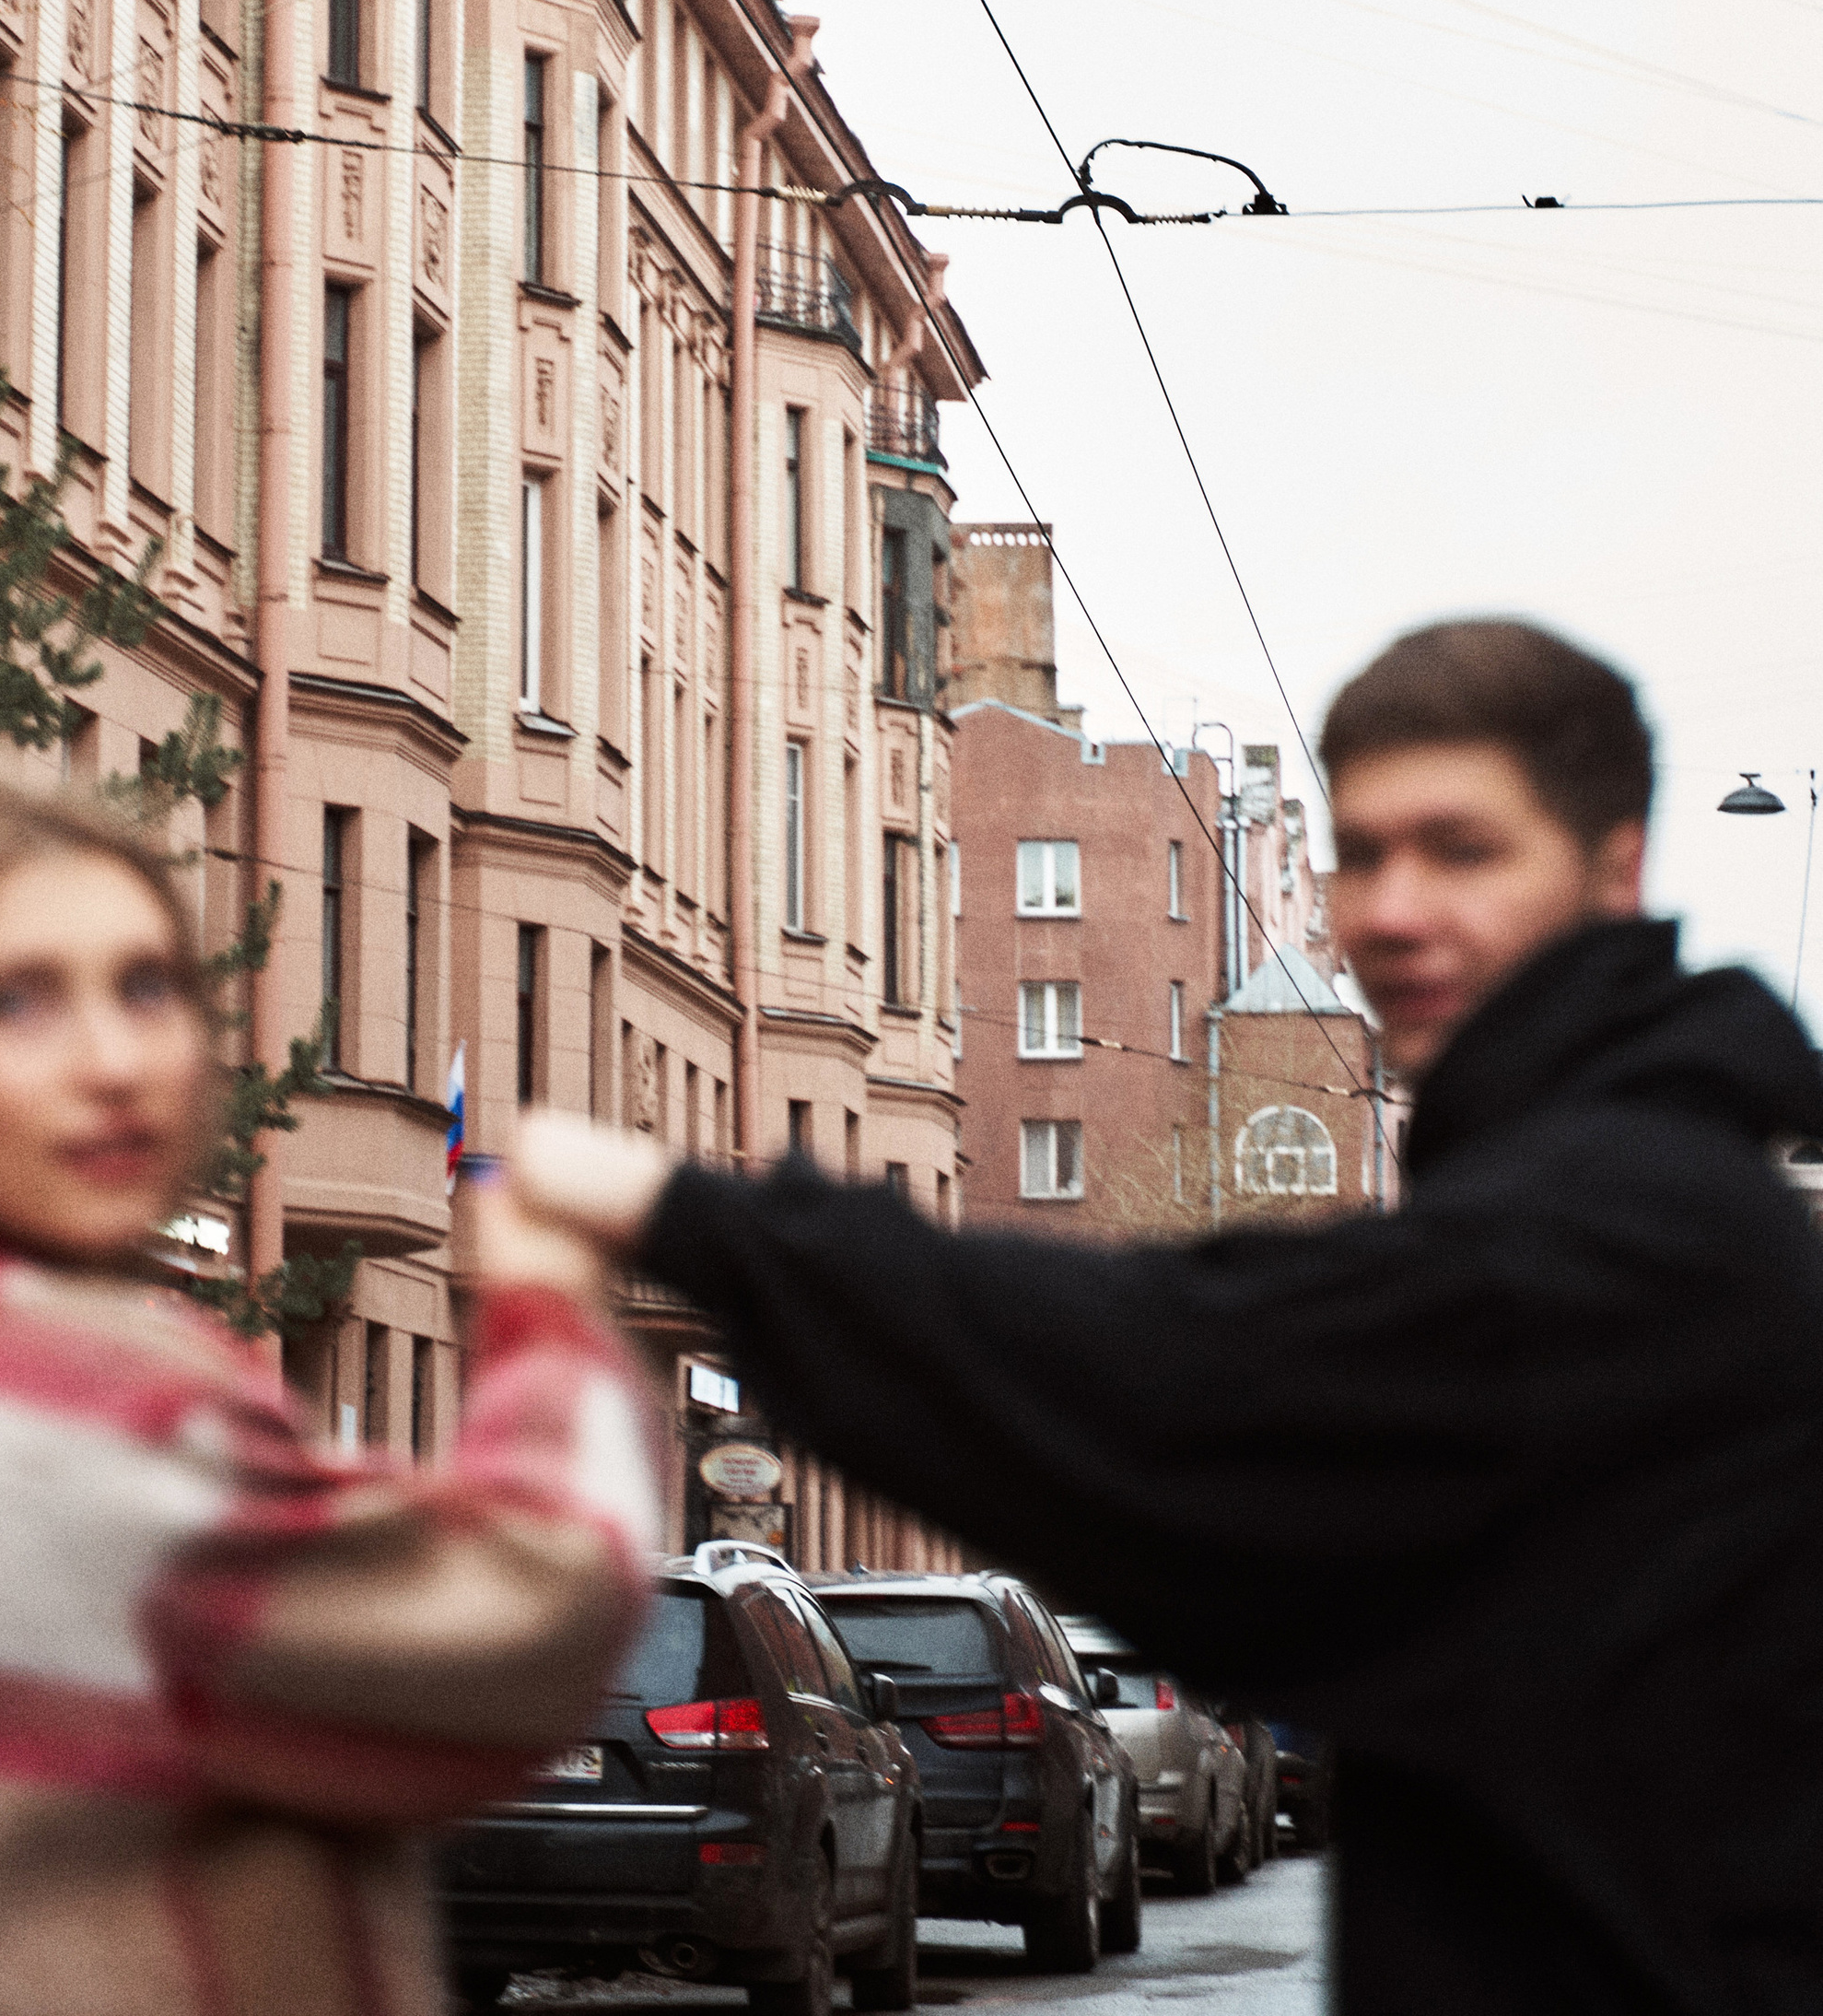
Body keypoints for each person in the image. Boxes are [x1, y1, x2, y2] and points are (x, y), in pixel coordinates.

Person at [510, 618, 1823, 2016]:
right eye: (1362, 851)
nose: (1388, 907)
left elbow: (1168, 1380)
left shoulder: (1630, 1224)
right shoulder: (1623, 1175)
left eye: (1463, 847)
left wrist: (673, 1207)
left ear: (1614, 865)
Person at [0, 766, 658, 2016]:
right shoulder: (94, 1406)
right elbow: (538, 1620)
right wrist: (547, 1311)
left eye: (147, 985)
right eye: (16, 1000)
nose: (113, 1061)